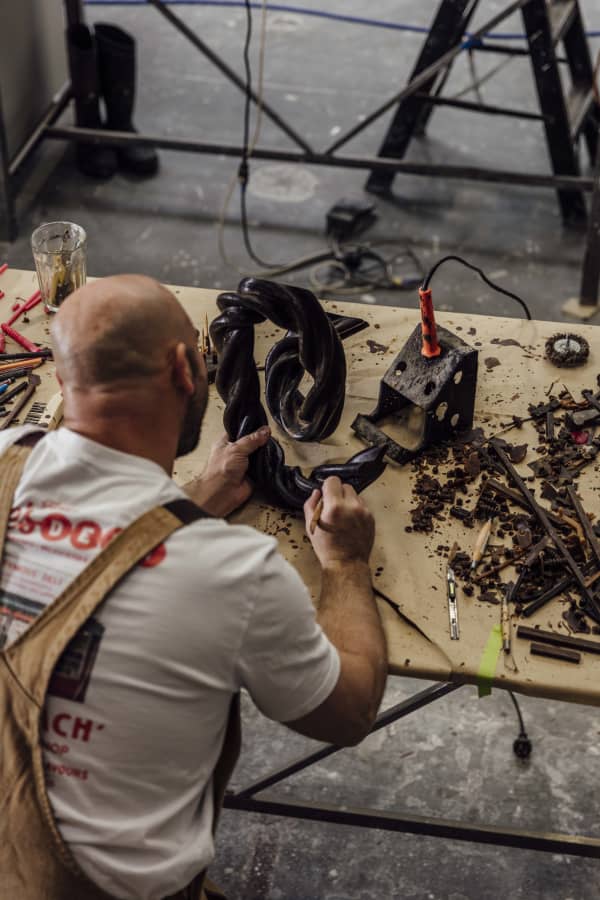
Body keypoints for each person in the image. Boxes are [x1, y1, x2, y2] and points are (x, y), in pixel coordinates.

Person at [0, 274, 387, 900]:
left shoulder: (6, 456)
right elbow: (349, 712)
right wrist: (344, 562)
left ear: (61, 379)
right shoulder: (232, 573)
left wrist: (190, 504)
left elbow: (87, 561)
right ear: (186, 369)